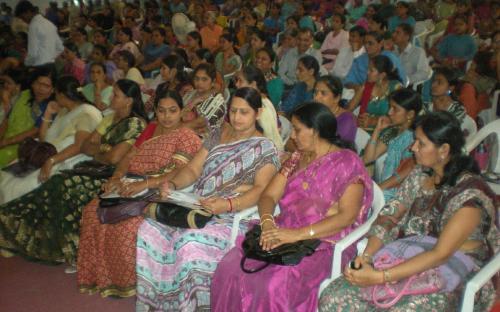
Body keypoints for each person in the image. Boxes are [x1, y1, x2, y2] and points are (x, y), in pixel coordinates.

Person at [319, 111, 499, 311]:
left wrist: (379, 277)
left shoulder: (471, 196)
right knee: (333, 296)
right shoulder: (420, 174)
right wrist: (367, 258)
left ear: (444, 150)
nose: (413, 148)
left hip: (454, 271)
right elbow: (389, 216)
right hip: (409, 253)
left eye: (421, 143)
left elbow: (440, 254)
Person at [211, 102, 373, 311]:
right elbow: (269, 195)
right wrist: (268, 224)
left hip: (323, 241)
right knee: (230, 268)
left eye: (297, 130)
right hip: (283, 230)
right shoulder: (297, 158)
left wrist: (296, 235)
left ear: (315, 131)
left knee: (272, 284)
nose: (293, 136)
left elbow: (346, 217)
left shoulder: (347, 162)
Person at [135, 87, 280, 311]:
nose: (237, 118)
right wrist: (173, 185)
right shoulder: (217, 134)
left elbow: (261, 190)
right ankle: (162, 303)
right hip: (198, 204)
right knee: (149, 229)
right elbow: (193, 170)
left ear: (257, 113)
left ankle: (196, 305)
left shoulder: (264, 148)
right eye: (233, 111)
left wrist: (227, 204)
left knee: (189, 242)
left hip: (234, 216)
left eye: (244, 112)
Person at [0, 79, 146, 265]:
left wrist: (99, 150)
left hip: (110, 174)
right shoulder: (110, 117)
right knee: (56, 183)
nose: (110, 96)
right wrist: (102, 150)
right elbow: (86, 146)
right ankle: (17, 229)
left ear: (129, 101)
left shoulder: (135, 123)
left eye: (115, 95)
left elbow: (114, 158)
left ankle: (63, 248)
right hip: (92, 167)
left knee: (63, 186)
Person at [77, 89, 202, 297]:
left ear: (182, 112)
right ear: (155, 112)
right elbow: (128, 157)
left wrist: (144, 184)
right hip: (131, 183)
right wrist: (116, 178)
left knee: (125, 224)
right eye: (161, 111)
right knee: (93, 211)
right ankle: (99, 278)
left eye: (172, 111)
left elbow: (177, 171)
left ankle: (127, 284)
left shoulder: (186, 136)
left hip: (159, 190)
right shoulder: (151, 129)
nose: (167, 116)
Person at [0, 75, 102, 204]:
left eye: (56, 93)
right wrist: (48, 113)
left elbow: (79, 145)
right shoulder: (64, 110)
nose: (54, 96)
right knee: (6, 177)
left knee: (17, 188)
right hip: (48, 155)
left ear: (62, 95)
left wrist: (51, 160)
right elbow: (44, 140)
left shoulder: (87, 113)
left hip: (66, 160)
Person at [363, 88, 422, 201]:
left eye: (395, 109)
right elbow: (368, 159)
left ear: (410, 114)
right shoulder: (394, 131)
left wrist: (377, 190)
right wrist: (377, 130)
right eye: (390, 107)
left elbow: (407, 170)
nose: (389, 112)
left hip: (397, 193)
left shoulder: (414, 138)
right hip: (383, 187)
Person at [0, 65, 56, 168]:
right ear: (33, 83)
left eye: (46, 86)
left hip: (24, 147)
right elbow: (7, 120)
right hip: (5, 138)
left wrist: (6, 142)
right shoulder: (24, 95)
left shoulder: (51, 107)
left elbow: (35, 131)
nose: (41, 89)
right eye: (39, 83)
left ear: (53, 89)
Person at [233, 66, 284, 151]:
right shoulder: (250, 101)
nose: (236, 84)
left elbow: (267, 138)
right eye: (236, 80)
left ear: (253, 84)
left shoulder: (263, 106)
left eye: (240, 81)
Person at [348, 55, 403, 131]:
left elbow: (400, 117)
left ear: (382, 75)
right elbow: (349, 108)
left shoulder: (396, 87)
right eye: (368, 69)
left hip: (387, 131)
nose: (367, 72)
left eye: (371, 70)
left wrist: (373, 121)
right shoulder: (366, 87)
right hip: (364, 130)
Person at [14, 1, 64, 67]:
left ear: (28, 12)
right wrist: (50, 57)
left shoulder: (33, 26)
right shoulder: (49, 23)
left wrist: (25, 62)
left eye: (22, 18)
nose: (23, 21)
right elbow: (60, 48)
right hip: (52, 65)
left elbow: (33, 55)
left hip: (41, 66)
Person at [181, 64, 226, 135]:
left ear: (213, 82)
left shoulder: (217, 101)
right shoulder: (190, 93)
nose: (199, 83)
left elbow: (199, 123)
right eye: (196, 79)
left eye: (204, 79)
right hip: (183, 132)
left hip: (205, 140)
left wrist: (174, 127)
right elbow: (177, 114)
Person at [314, 76, 357, 143]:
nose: (316, 97)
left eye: (323, 93)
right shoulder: (316, 113)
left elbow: (335, 148)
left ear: (337, 98)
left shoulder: (347, 120)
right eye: (316, 92)